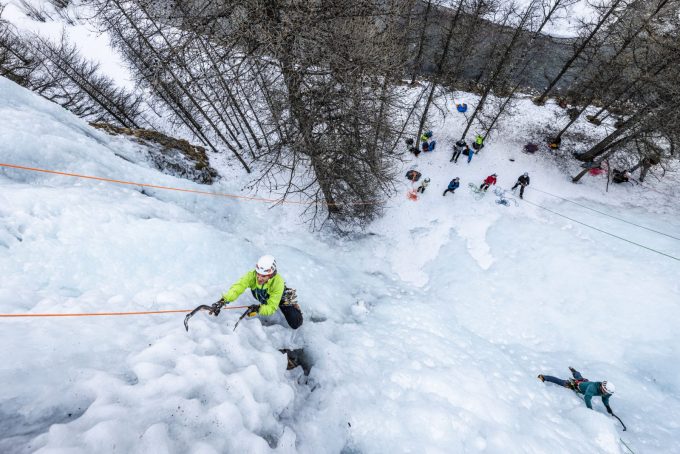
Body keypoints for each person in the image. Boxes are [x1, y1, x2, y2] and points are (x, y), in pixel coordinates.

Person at [213, 255, 303, 329]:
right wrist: (223, 300)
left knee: (296, 323)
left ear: (271, 275)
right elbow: (237, 288)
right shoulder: (251, 276)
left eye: (263, 276)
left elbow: (271, 307)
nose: (259, 278)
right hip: (262, 295)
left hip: (280, 297)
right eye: (258, 274)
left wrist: (259, 309)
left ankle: (294, 304)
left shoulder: (278, 283)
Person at [538, 367, 616, 414]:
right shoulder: (593, 388)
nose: (605, 393)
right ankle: (544, 377)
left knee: (580, 378)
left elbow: (605, 398)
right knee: (562, 382)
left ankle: (574, 372)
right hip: (577, 386)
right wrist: (590, 409)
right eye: (603, 389)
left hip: (584, 382)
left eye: (606, 392)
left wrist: (608, 407)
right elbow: (587, 398)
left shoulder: (608, 392)